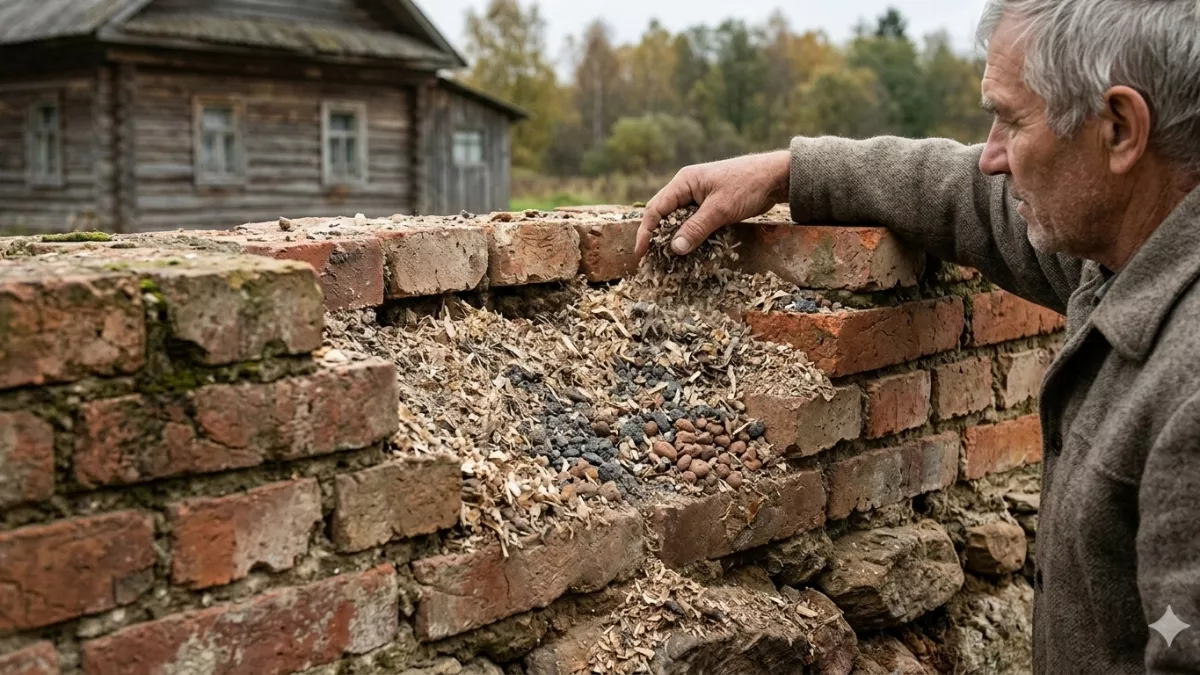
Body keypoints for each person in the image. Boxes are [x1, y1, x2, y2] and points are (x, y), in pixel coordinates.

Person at [636, 1, 1200, 672]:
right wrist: (789, 171)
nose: (991, 157)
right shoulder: (1132, 244)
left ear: (1119, 127)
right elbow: (961, 193)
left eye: (1011, 120)